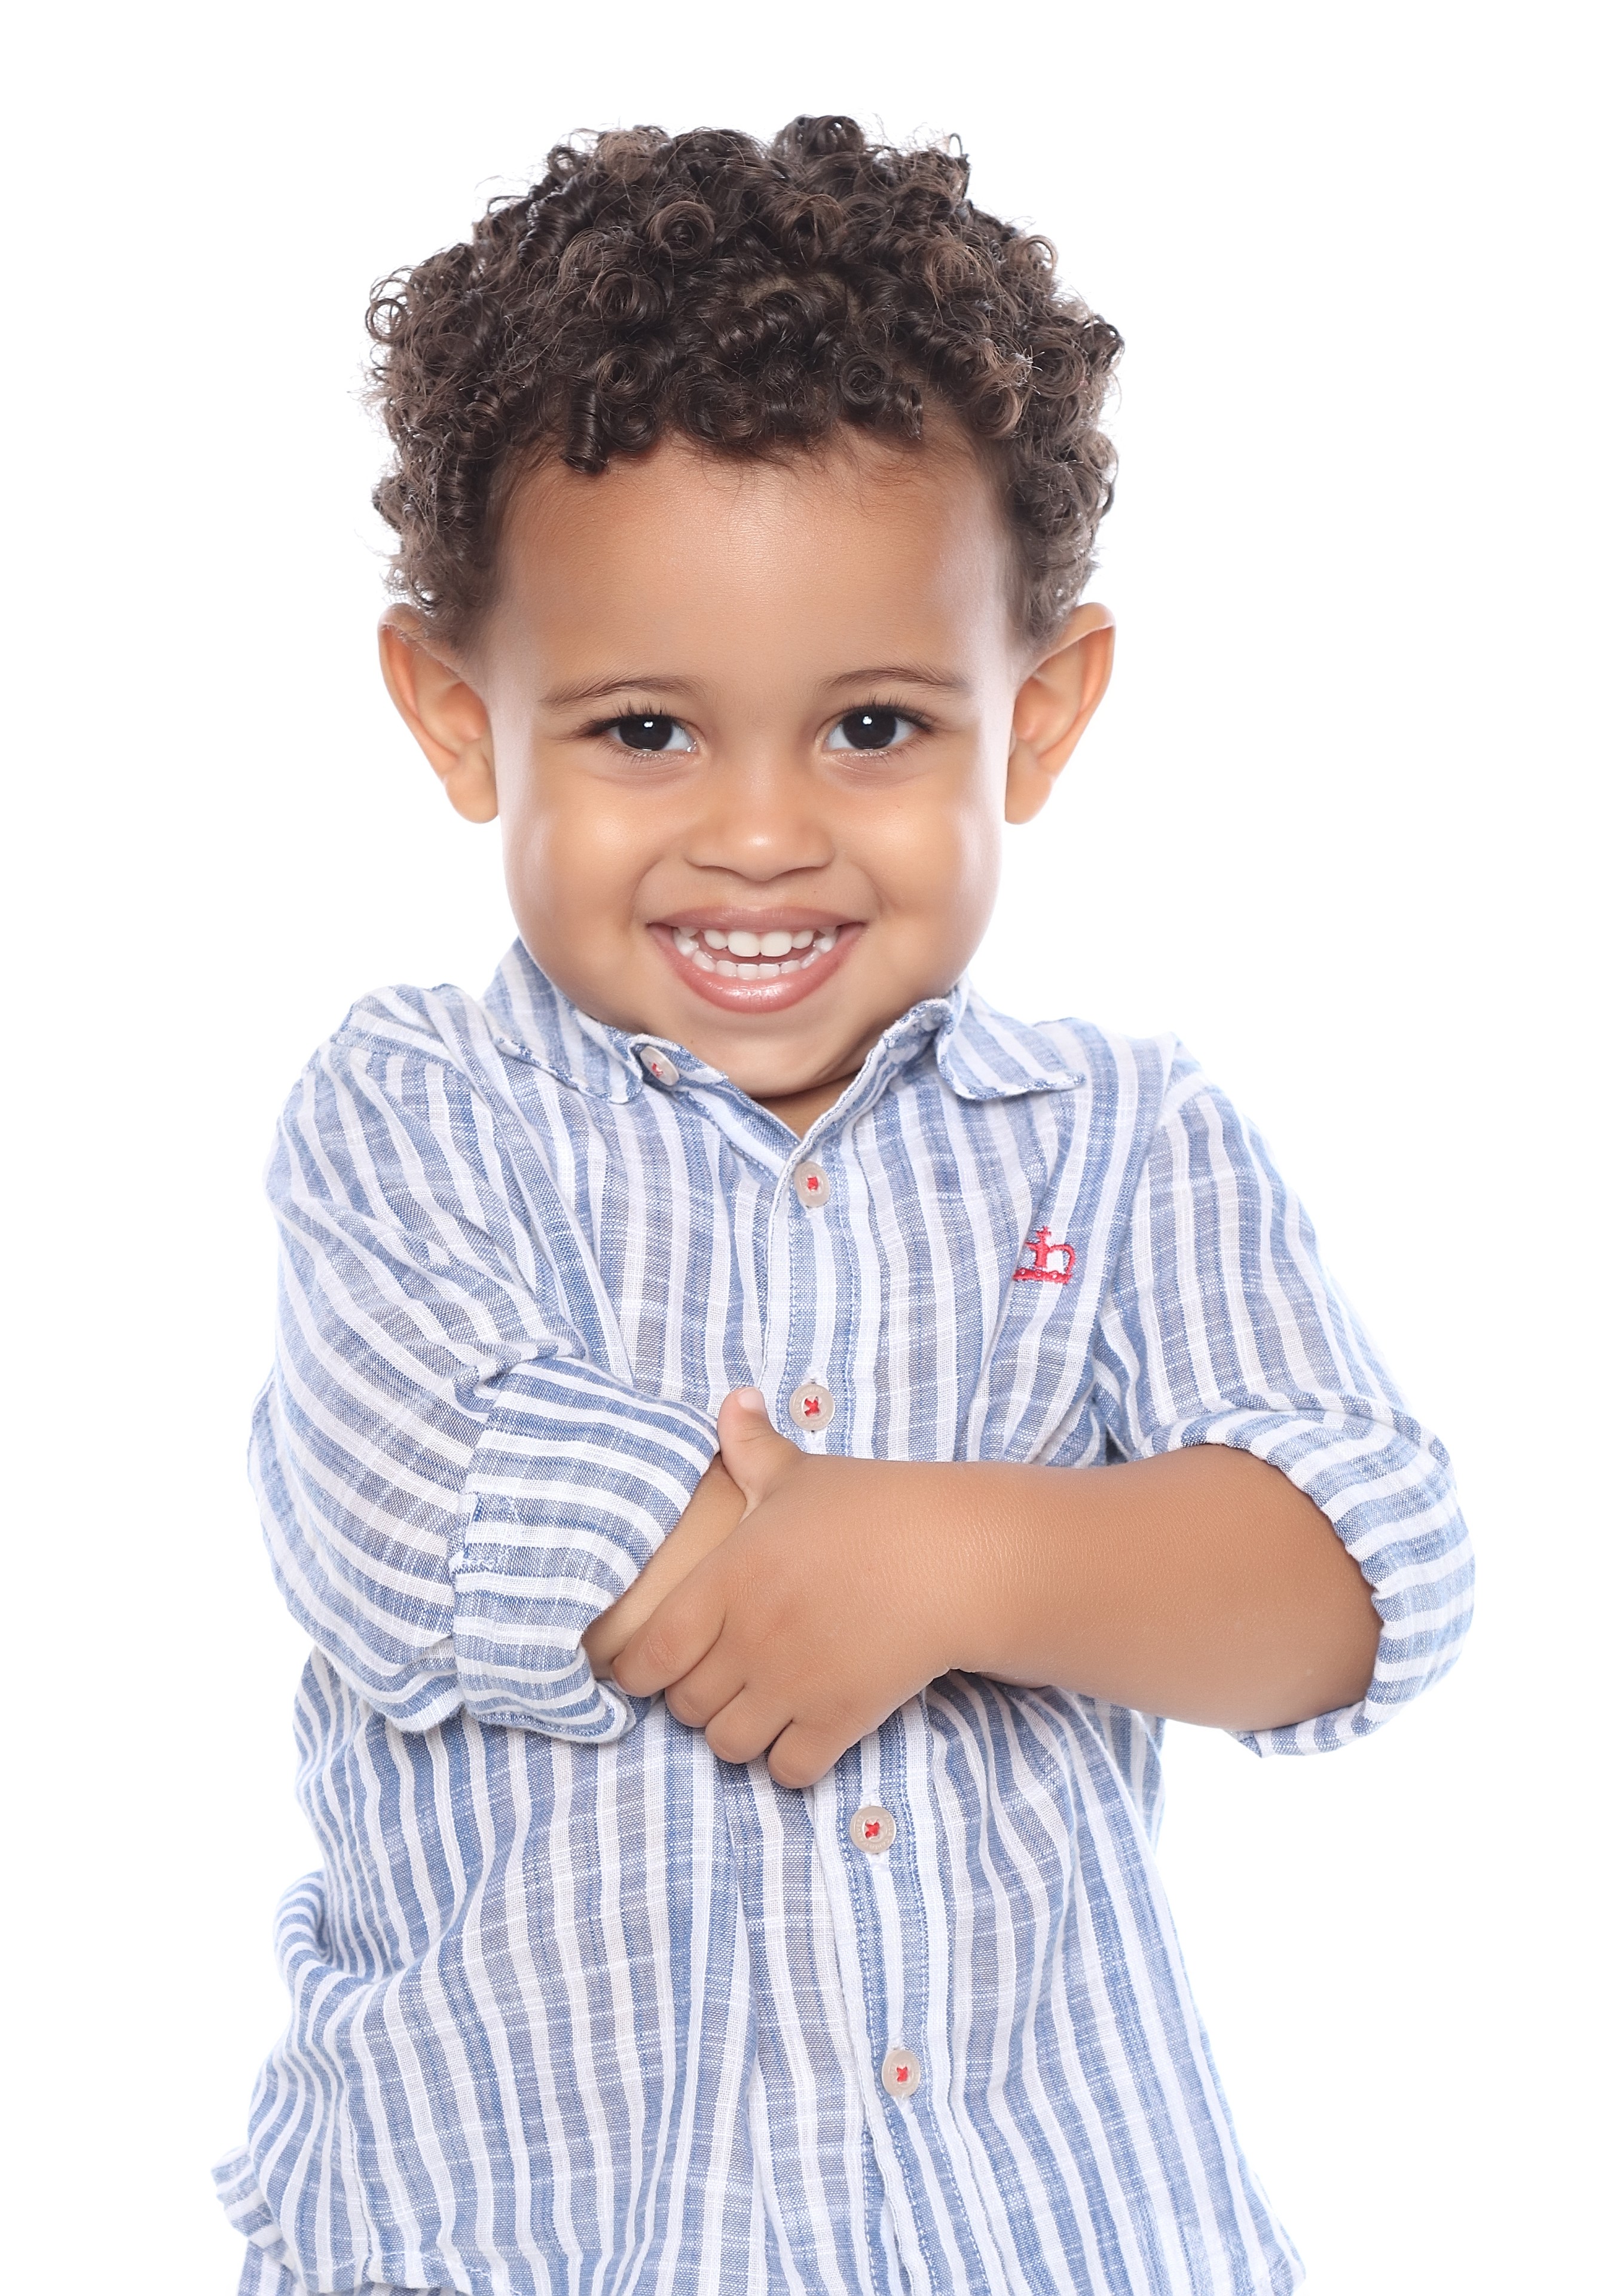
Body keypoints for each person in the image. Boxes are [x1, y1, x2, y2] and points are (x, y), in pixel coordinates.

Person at [217, 115, 1473, 2296]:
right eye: (643, 732)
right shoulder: (418, 1107)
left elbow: (1360, 1574)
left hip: (1046, 2235)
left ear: (1037, 718)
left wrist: (957, 1556)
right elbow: (416, 1501)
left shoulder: (1119, 1139)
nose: (762, 833)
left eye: (874, 725)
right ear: (456, 714)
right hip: (516, 2240)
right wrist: (869, 1569)